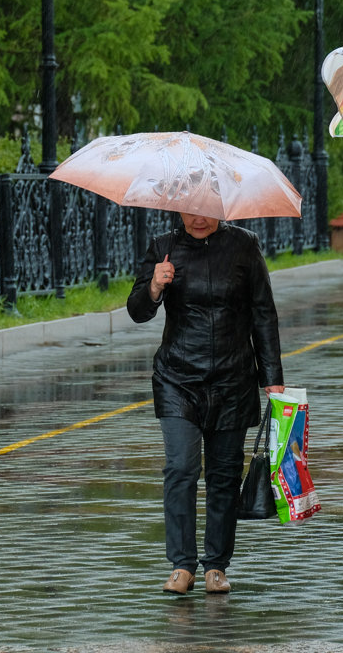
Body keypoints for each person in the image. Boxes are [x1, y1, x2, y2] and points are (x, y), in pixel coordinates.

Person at [126, 212, 285, 595]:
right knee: (181, 468)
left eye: (206, 208)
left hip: (233, 378)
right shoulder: (164, 247)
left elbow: (263, 313)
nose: (197, 217)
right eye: (189, 208)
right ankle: (182, 565)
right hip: (177, 378)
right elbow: (137, 310)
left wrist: (273, 379)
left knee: (224, 476)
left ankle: (215, 566)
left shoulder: (245, 245)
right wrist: (154, 287)